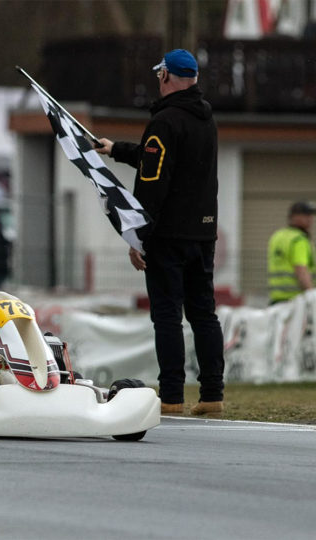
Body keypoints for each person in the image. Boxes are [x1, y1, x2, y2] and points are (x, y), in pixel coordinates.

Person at [94, 49, 224, 416]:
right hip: (203, 233)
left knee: (167, 315)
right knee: (204, 314)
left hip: (167, 236)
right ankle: (213, 394)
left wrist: (140, 239)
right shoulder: (206, 119)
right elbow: (162, 160)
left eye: (159, 75)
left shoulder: (165, 121)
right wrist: (115, 149)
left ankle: (172, 397)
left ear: (166, 76)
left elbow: (152, 183)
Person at [267, 201, 315, 304]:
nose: (310, 218)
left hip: (276, 300)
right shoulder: (298, 239)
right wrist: (312, 296)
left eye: (311, 215)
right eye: (306, 215)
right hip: (295, 303)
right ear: (294, 217)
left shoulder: (277, 236)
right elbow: (301, 270)